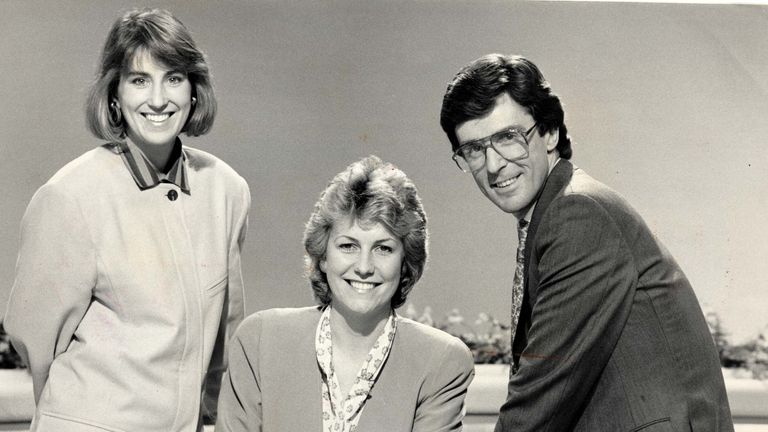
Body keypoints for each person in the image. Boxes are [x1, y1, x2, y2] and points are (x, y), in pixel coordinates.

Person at [439, 54, 733, 431]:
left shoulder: (577, 214)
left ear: (550, 133)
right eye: (474, 150)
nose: (493, 165)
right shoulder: (559, 211)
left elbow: (540, 398)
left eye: (507, 138)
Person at [3, 8, 250, 432]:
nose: (158, 99)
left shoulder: (226, 190)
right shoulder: (71, 196)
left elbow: (224, 332)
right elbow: (34, 339)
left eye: (173, 78)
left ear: (194, 90)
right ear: (114, 94)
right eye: (139, 80)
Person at [216, 155, 474, 432]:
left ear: (405, 263)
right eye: (348, 246)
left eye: (383, 248)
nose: (364, 267)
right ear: (324, 257)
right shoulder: (259, 342)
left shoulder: (441, 362)